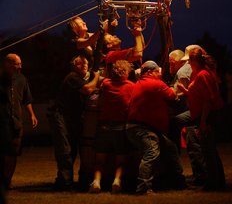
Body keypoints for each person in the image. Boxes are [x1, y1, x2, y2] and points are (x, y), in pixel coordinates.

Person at [126, 60, 186, 195]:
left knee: (170, 147)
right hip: (142, 127)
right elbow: (172, 96)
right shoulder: (155, 83)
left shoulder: (140, 83)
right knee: (152, 152)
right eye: (157, 71)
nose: (159, 74)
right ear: (149, 72)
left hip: (140, 126)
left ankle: (177, 181)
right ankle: (143, 187)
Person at [175, 48, 226, 191]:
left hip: (207, 116)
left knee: (208, 150)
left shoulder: (203, 74)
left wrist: (203, 122)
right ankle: (217, 181)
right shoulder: (200, 74)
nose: (188, 63)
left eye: (190, 61)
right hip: (202, 116)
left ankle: (214, 183)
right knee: (208, 150)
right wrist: (185, 91)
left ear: (195, 61)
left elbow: (208, 100)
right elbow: (197, 94)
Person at [47, 55, 100, 191]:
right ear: (74, 66)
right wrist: (97, 76)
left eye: (86, 64)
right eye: (80, 64)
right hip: (60, 115)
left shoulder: (80, 79)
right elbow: (88, 89)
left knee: (72, 149)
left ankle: (63, 180)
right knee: (65, 150)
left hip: (71, 117)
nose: (84, 66)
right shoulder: (72, 77)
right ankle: (65, 183)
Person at [89, 60, 134, 194]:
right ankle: (117, 181)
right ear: (126, 72)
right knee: (120, 158)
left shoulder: (106, 84)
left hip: (103, 126)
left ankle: (96, 182)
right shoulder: (131, 86)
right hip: (120, 126)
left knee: (99, 159)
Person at [0, 53, 38, 190]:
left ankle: (7, 180)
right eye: (17, 64)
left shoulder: (21, 79)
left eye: (20, 63)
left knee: (13, 153)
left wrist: (32, 114)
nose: (20, 66)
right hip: (2, 121)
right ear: (8, 64)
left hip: (15, 122)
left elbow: (27, 99)